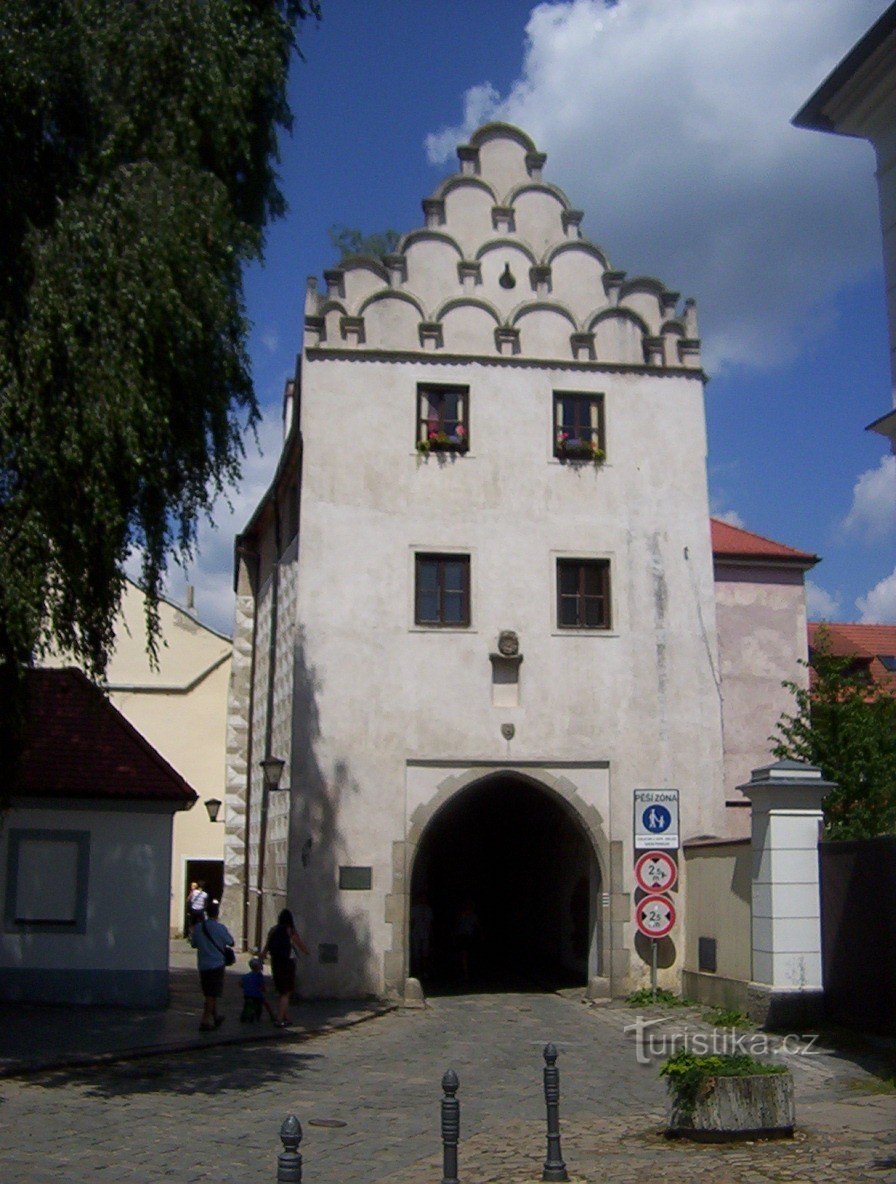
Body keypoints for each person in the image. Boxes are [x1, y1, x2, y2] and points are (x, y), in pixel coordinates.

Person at [190, 898, 234, 1031]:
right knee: (212, 994)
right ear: (217, 913)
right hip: (217, 964)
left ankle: (216, 1016)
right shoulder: (220, 928)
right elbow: (231, 942)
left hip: (203, 964)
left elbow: (193, 944)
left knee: (209, 992)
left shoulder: (198, 928)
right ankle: (205, 1021)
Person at [260, 908, 309, 1027]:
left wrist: (261, 958)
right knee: (286, 992)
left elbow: (266, 947)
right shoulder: (290, 931)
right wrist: (307, 952)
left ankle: (285, 1017)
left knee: (281, 991)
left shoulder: (273, 930)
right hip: (287, 964)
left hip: (276, 963)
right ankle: (280, 1019)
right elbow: (301, 945)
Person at [240, 956, 277, 1024]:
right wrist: (265, 990)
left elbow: (241, 984)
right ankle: (272, 1016)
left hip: (247, 994)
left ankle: (245, 1015)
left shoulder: (246, 976)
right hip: (257, 995)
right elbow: (262, 985)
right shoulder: (259, 975)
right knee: (266, 1003)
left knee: (246, 1004)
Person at [410, 892, 434, 978]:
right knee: (417, 954)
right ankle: (417, 971)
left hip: (425, 934)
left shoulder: (428, 910)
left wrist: (429, 933)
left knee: (425, 954)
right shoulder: (414, 909)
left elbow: (430, 923)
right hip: (416, 934)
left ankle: (425, 971)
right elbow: (411, 922)